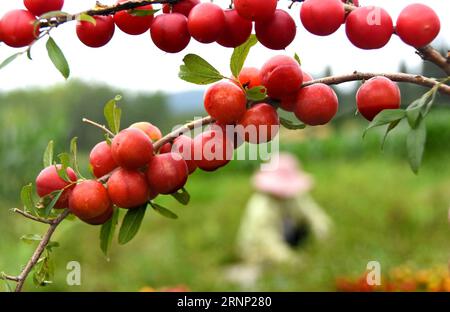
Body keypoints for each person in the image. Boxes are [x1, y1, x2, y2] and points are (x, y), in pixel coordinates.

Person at [236, 153, 332, 266]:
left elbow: (314, 215)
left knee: (303, 228)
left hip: (285, 236)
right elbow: (268, 241)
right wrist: (291, 260)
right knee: (265, 259)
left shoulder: (296, 197)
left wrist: (325, 236)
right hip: (258, 249)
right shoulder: (261, 207)